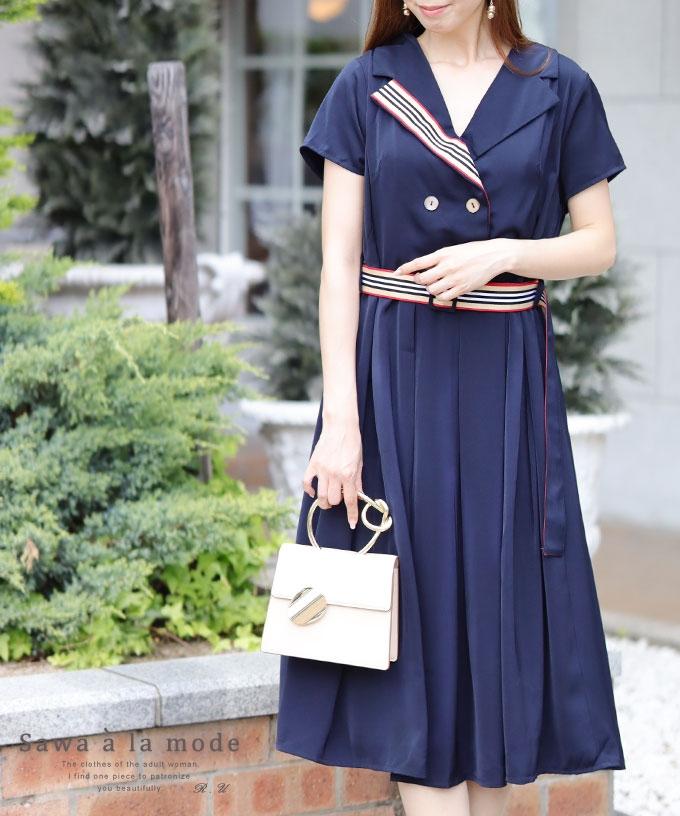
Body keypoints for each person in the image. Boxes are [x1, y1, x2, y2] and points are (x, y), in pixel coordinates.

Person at [275, 1, 627, 814]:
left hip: (506, 382)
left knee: (497, 626)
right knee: (414, 630)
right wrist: (342, 423)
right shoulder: (366, 85)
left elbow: (598, 242)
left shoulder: (558, 86)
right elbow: (339, 266)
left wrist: (502, 253)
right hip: (394, 383)